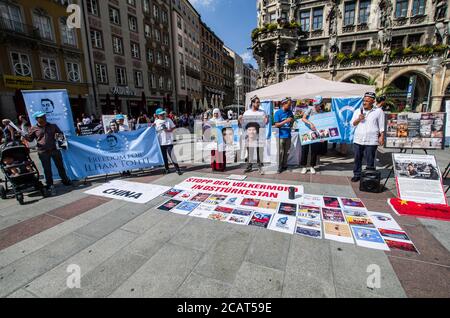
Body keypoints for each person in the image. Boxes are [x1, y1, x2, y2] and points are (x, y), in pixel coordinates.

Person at [24, 111, 72, 194]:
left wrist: (62, 143)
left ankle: (65, 180)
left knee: (60, 166)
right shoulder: (34, 128)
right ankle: (50, 184)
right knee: (47, 169)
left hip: (54, 150)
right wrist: (24, 136)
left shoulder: (53, 126)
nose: (43, 117)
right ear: (36, 119)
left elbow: (60, 135)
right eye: (41, 117)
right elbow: (30, 139)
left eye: (44, 116)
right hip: (43, 152)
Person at [351, 92, 385, 182]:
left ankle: (369, 176)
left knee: (370, 159)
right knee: (357, 159)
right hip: (358, 139)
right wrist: (358, 119)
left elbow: (382, 126)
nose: (364, 102)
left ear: (373, 101)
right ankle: (357, 174)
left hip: (371, 140)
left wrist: (382, 136)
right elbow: (352, 124)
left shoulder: (378, 111)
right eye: (364, 100)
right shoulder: (357, 111)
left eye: (367, 101)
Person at [242, 95, 268, 174]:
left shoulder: (262, 112)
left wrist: (267, 120)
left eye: (259, 102)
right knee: (250, 151)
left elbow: (265, 123)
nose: (258, 104)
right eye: (257, 102)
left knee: (260, 151)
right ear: (252, 103)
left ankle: (260, 167)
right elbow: (244, 124)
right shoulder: (247, 112)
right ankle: (249, 166)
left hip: (260, 134)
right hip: (250, 135)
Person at [300, 96, 324, 175]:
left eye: (319, 105)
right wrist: (310, 123)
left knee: (314, 150)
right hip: (306, 132)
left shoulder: (321, 112)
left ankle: (312, 166)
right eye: (317, 105)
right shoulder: (310, 109)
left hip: (315, 134)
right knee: (305, 150)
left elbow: (322, 124)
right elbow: (303, 118)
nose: (318, 106)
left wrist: (323, 136)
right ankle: (304, 166)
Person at [154, 108, 182, 175]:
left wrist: (169, 130)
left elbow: (174, 127)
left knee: (172, 155)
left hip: (169, 141)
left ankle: (177, 169)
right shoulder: (156, 122)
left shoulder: (168, 120)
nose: (163, 115)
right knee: (164, 157)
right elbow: (153, 131)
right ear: (158, 115)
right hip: (161, 142)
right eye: (161, 114)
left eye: (163, 114)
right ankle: (167, 169)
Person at [274, 97, 294, 174]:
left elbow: (292, 122)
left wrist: (292, 122)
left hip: (288, 135)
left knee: (287, 152)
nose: (290, 106)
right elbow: (276, 125)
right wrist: (286, 120)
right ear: (283, 104)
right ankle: (279, 166)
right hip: (280, 135)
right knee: (280, 152)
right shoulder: (278, 113)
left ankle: (284, 165)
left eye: (290, 105)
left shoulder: (290, 112)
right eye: (288, 105)